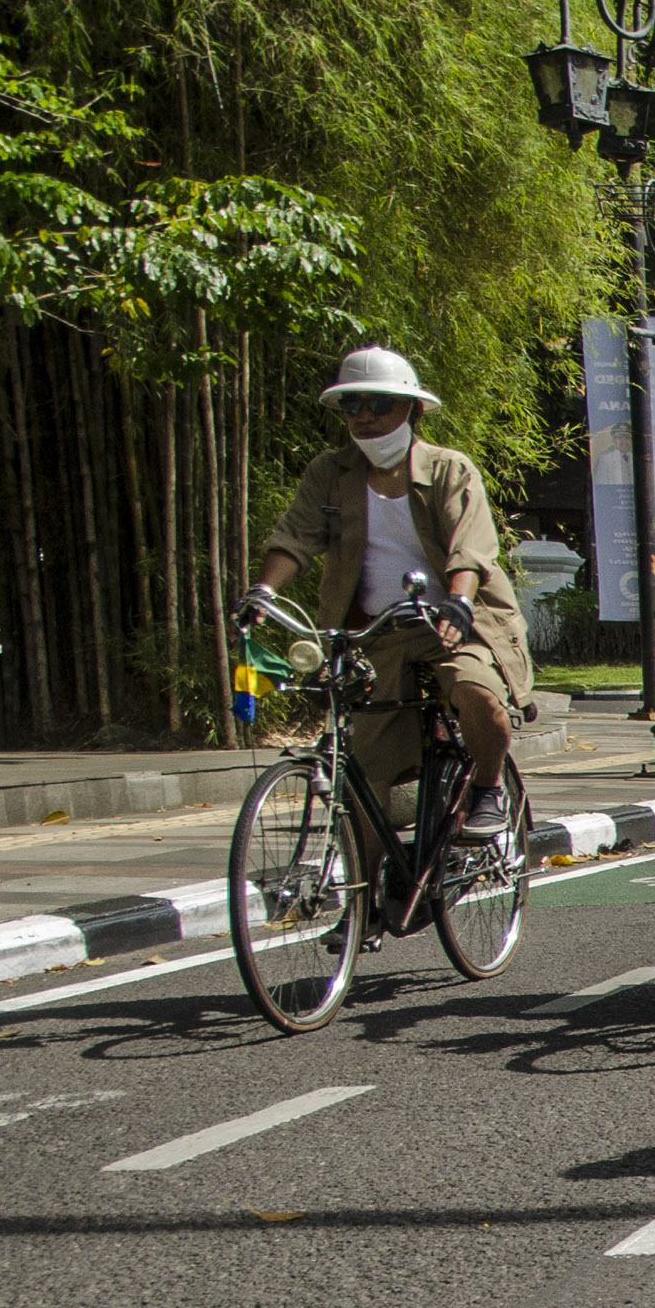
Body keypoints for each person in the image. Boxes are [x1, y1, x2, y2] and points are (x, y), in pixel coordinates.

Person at [245, 345, 537, 921]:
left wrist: (455, 599)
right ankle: (365, 903)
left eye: (379, 405)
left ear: (411, 410)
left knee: (476, 693)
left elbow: (469, 549)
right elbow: (293, 538)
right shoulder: (330, 474)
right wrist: (264, 593)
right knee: (364, 775)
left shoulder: (449, 468)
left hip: (462, 618)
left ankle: (485, 787)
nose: (364, 417)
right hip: (374, 633)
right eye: (352, 406)